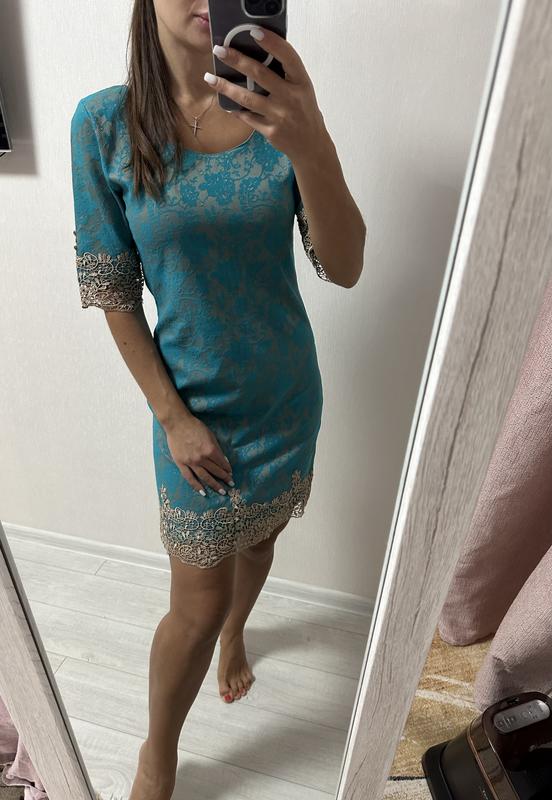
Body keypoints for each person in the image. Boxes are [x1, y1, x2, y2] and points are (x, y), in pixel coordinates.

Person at [70, 1, 365, 797]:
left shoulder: (281, 111)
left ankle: (241, 632)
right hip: (193, 413)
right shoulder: (103, 124)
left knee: (260, 544)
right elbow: (113, 289)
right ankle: (159, 751)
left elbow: (344, 267)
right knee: (193, 608)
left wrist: (311, 143)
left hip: (286, 399)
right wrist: (172, 418)